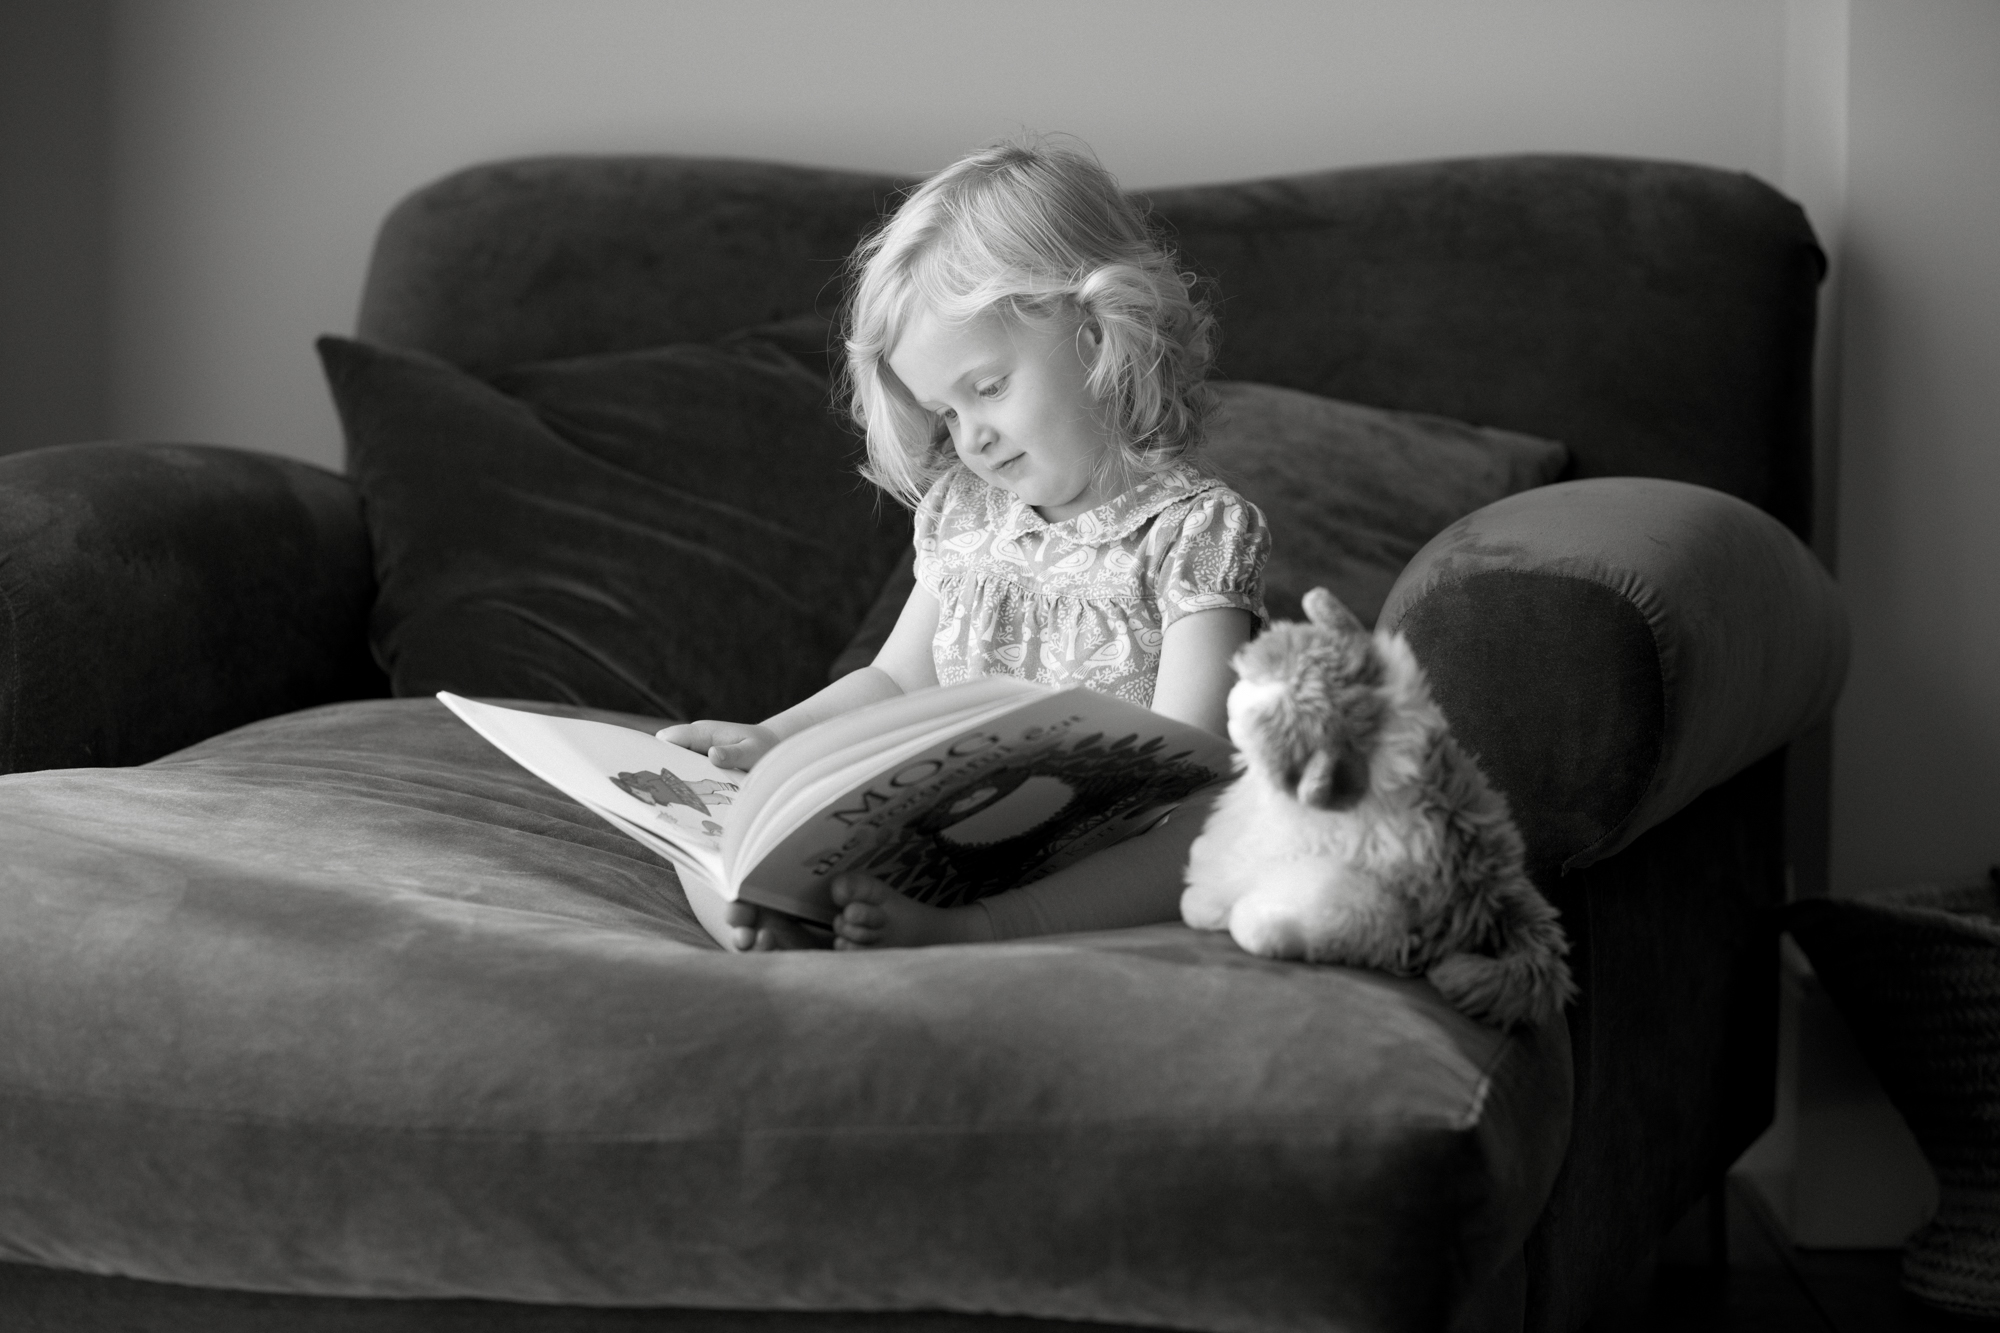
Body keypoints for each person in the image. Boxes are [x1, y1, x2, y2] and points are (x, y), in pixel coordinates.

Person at [660, 137, 1269, 951]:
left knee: (1205, 833)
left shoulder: (1194, 531)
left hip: (1105, 845)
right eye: (946, 411)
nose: (971, 437)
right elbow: (893, 677)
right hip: (961, 827)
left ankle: (977, 928)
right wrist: (768, 742)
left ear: (1103, 327)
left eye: (987, 388)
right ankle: (769, 919)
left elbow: (1192, 767)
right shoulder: (967, 512)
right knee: (701, 837)